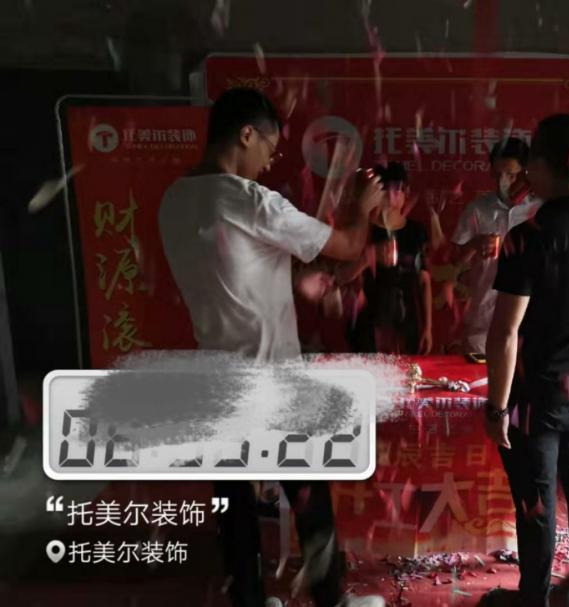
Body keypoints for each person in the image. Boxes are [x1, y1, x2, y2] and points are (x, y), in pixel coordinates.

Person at [159, 87, 384, 607]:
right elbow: (348, 244)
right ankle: (331, 600)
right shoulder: (250, 199)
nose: (269, 160)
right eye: (269, 146)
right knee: (309, 498)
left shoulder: (175, 200)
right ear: (246, 135)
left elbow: (234, 274)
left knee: (235, 506)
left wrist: (294, 283)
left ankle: (249, 598)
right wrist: (362, 206)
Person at [484, 114, 569, 607]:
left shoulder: (530, 236)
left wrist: (496, 407)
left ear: (541, 166)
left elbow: (505, 332)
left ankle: (534, 599)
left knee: (536, 502)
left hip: (537, 396)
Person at [451, 137, 543, 354]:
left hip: (529, 320)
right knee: (479, 373)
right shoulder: (478, 210)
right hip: (484, 318)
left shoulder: (541, 210)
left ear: (526, 173)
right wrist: (475, 244)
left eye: (510, 174)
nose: (503, 181)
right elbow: (455, 259)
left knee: (524, 373)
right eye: (498, 173)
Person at [341, 162, 432, 354]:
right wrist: (370, 256)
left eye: (397, 188)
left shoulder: (416, 231)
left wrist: (428, 328)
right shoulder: (363, 229)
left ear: (406, 191)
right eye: (385, 189)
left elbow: (424, 281)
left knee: (406, 370)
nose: (391, 195)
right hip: (368, 323)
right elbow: (343, 276)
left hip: (405, 320)